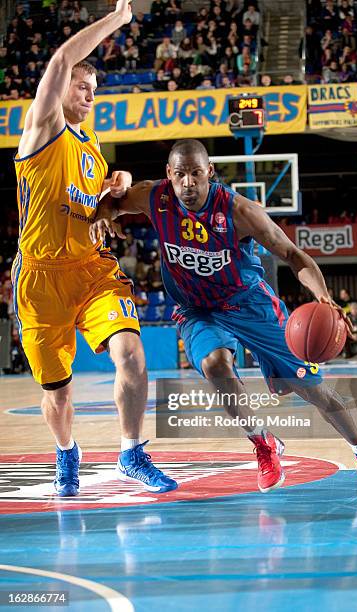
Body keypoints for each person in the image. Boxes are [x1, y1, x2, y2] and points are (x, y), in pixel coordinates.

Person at [90, 139, 357, 491]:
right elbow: (112, 202)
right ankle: (263, 444)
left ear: (210, 172)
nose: (187, 183)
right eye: (179, 175)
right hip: (198, 310)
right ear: (168, 175)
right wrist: (101, 216)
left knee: (310, 388)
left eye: (195, 174)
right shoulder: (153, 197)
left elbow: (294, 255)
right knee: (214, 365)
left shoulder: (240, 211)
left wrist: (324, 296)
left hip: (249, 303)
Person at [12, 0, 177, 497]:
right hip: (40, 280)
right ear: (60, 89)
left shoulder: (90, 146)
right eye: (82, 86)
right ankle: (67, 450)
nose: (88, 94)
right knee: (57, 394)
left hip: (91, 270)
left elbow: (94, 193)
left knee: (131, 353)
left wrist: (118, 180)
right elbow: (60, 61)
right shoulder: (41, 129)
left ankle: (131, 451)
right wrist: (118, 20)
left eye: (94, 90)